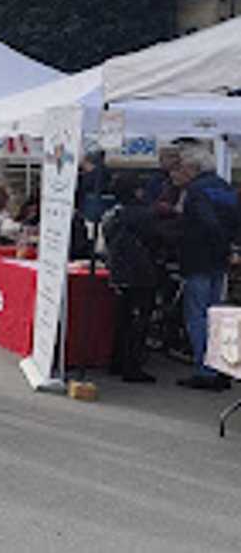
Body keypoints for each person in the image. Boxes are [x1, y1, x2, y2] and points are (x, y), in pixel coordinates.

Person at [172, 143, 240, 390]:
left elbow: (207, 223)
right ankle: (222, 367)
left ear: (193, 167)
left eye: (183, 166)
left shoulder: (196, 191)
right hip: (220, 261)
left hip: (198, 258)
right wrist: (232, 249)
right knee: (217, 316)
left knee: (198, 316)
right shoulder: (225, 188)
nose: (180, 171)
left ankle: (205, 370)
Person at [103, 173, 160, 383]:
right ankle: (132, 366)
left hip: (119, 270)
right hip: (142, 272)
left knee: (123, 319)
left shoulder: (111, 214)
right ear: (137, 191)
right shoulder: (143, 214)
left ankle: (117, 362)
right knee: (139, 320)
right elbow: (158, 239)